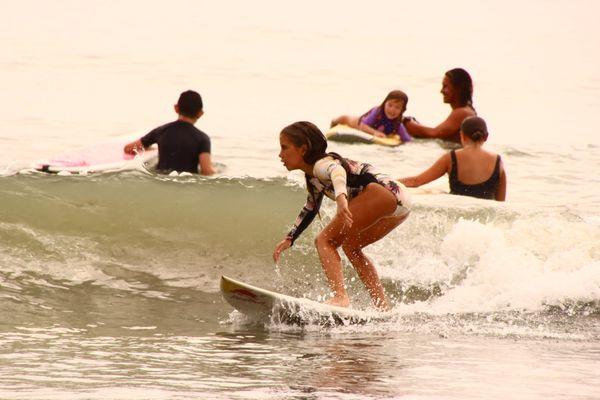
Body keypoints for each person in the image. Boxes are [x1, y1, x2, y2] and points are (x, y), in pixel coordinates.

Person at [273, 121, 411, 310]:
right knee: (351, 246)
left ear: (303, 149)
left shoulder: (321, 165)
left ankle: (340, 297)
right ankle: (382, 306)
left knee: (324, 241)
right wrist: (291, 237)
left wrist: (341, 198)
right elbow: (311, 207)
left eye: (284, 147)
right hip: (400, 201)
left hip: (382, 192)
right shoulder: (313, 177)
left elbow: (337, 171)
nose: (280, 155)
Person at [399, 116, 506, 201]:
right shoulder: (498, 161)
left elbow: (416, 181)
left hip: (458, 221)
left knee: (436, 192)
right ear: (486, 137)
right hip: (482, 225)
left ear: (462, 136)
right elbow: (501, 205)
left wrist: (388, 183)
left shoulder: (451, 158)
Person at [124, 90, 215, 175]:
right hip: (187, 184)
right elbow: (206, 171)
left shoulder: (161, 131)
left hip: (161, 179)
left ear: (176, 108)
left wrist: (154, 149)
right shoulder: (203, 139)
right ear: (200, 113)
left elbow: (129, 148)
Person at [403, 68, 476, 144]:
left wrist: (405, 121)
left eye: (445, 86)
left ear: (457, 89)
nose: (441, 91)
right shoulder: (467, 110)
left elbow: (434, 133)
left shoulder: (462, 112)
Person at [330, 90, 412, 143]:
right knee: (343, 118)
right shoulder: (377, 112)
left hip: (370, 127)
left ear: (403, 110)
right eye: (390, 105)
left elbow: (407, 140)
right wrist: (375, 133)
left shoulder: (398, 124)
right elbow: (362, 126)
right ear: (384, 103)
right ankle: (333, 121)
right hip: (356, 122)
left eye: (397, 107)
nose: (392, 110)